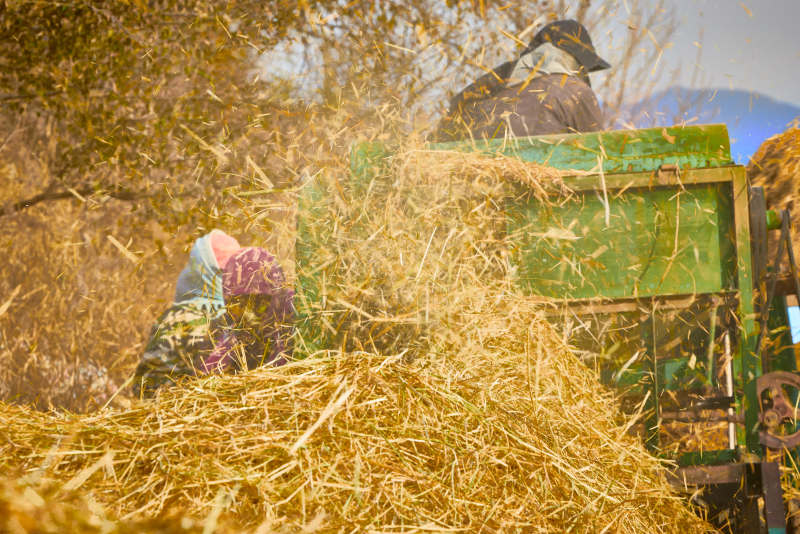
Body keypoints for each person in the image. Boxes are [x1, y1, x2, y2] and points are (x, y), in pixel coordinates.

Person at [133, 237, 295, 398]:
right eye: (238, 303)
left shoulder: (294, 316)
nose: (247, 312)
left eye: (258, 301)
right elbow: (211, 374)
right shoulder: (209, 322)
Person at [435, 20, 610, 142]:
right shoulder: (575, 91)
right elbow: (601, 152)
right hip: (546, 182)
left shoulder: (490, 88)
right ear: (577, 61)